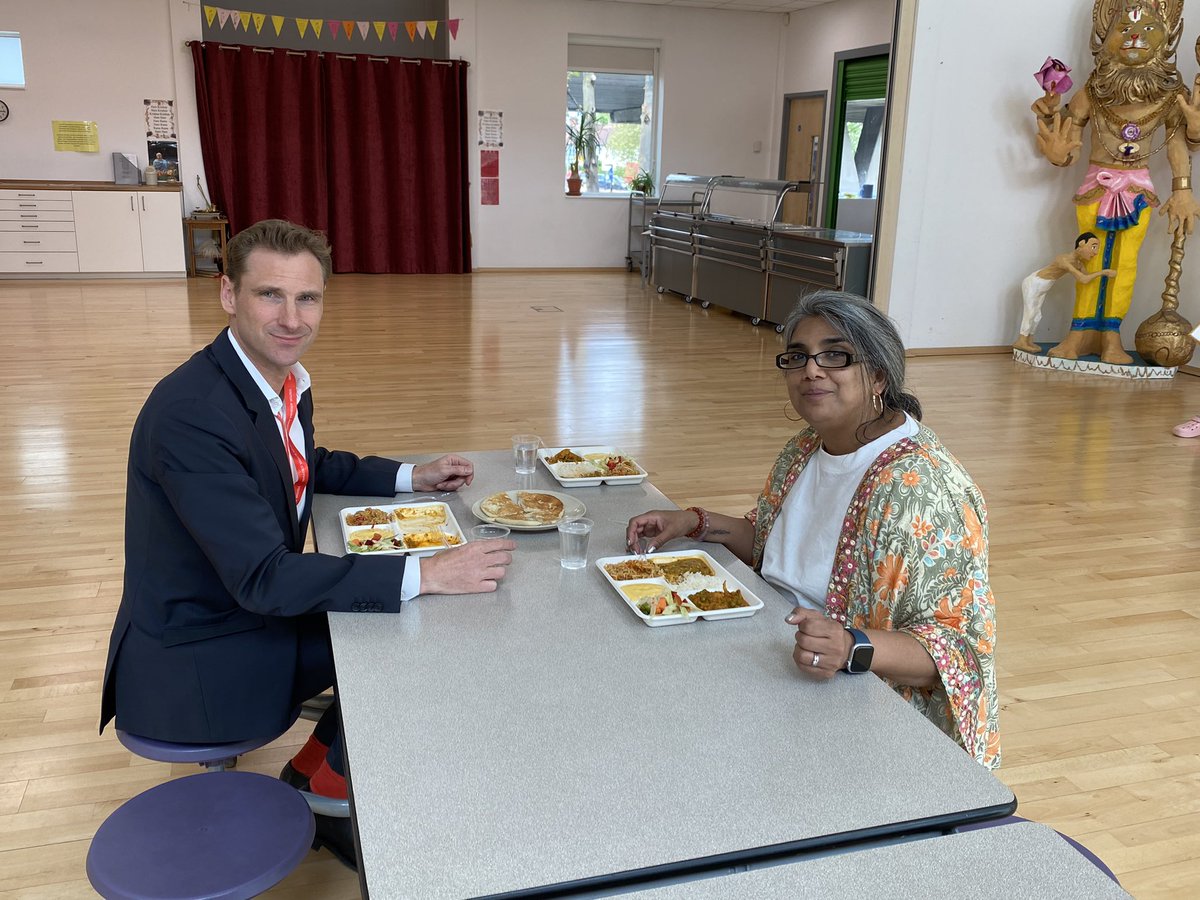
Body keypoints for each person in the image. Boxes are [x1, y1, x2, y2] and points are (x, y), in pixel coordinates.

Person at [99, 219, 515, 868]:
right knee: (421, 625)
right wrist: (426, 572)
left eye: (308, 298)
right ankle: (331, 789)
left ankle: (323, 767)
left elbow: (299, 464)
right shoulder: (193, 414)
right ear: (228, 295)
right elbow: (266, 577)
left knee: (395, 607)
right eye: (271, 295)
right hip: (202, 660)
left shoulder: (275, 378)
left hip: (235, 615)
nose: (292, 319)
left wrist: (411, 475)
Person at [626, 291, 999, 769]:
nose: (812, 370)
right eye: (798, 356)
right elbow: (769, 542)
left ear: (879, 375)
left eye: (835, 355)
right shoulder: (808, 446)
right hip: (766, 648)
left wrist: (851, 646)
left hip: (860, 713)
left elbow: (958, 653)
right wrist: (694, 522)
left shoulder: (921, 489)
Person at [1013, 233, 1116, 353]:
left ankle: (1028, 341)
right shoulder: (1063, 259)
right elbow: (1082, 279)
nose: (1096, 252)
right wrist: (1103, 272)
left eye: (1097, 248)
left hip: (1043, 287)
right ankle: (1021, 341)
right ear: (1081, 244)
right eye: (1093, 247)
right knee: (1031, 312)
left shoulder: (1078, 264)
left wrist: (1103, 273)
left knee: (1037, 316)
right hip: (1034, 283)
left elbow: (1086, 277)